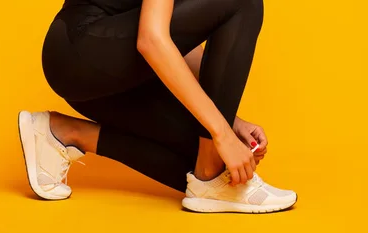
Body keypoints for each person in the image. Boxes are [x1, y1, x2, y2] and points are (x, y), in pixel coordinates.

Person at [17, 0, 297, 213]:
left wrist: (230, 121)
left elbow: (174, 38)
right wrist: (221, 134)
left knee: (205, 165)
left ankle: (63, 132)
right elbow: (152, 40)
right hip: (80, 54)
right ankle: (212, 183)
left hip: (100, 66)